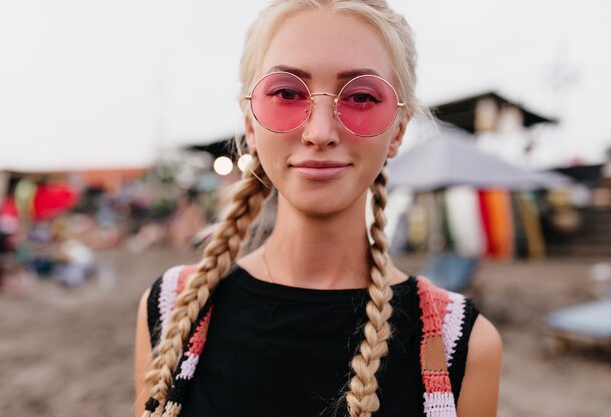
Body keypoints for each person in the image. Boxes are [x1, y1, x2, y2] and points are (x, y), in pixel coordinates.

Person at [135, 1, 502, 416]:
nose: (320, 132)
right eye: (287, 93)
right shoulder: (171, 309)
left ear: (398, 129)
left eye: (361, 96)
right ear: (251, 122)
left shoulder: (460, 341)